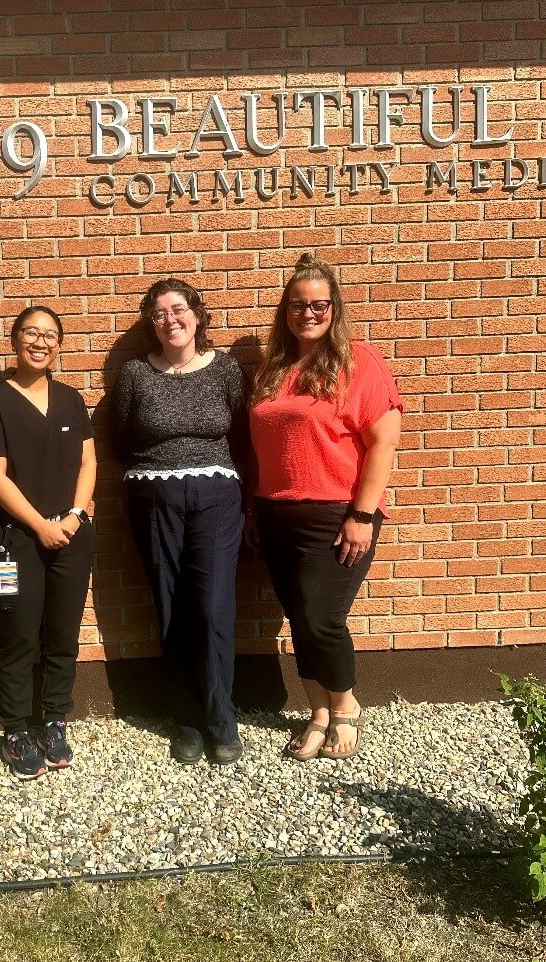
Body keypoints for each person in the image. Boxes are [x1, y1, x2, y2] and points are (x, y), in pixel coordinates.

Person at [246, 252, 402, 761]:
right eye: (296, 304)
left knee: (321, 617)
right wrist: (254, 507)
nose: (307, 313)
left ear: (335, 308)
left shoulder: (359, 361)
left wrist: (362, 514)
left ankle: (346, 706)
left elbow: (383, 441)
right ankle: (316, 712)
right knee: (297, 616)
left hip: (335, 514)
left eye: (318, 304)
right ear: (284, 312)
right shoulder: (275, 367)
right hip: (274, 513)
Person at [110, 278, 248, 766]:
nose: (171, 320)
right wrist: (154, 472)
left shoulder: (227, 370)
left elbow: (243, 432)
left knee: (213, 606)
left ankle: (220, 715)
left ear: (197, 314)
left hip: (216, 496)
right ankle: (186, 717)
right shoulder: (134, 375)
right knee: (169, 602)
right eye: (159, 313)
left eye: (178, 309)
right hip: (154, 495)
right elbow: (121, 435)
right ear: (152, 323)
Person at [0, 306, 96, 780]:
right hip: (16, 542)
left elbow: (89, 465)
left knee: (62, 636)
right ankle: (17, 729)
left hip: (71, 536)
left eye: (49, 335)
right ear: (15, 339)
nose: (40, 342)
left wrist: (75, 516)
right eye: (31, 333)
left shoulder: (70, 399)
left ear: (59, 345)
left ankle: (53, 722)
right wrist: (41, 525)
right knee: (18, 637)